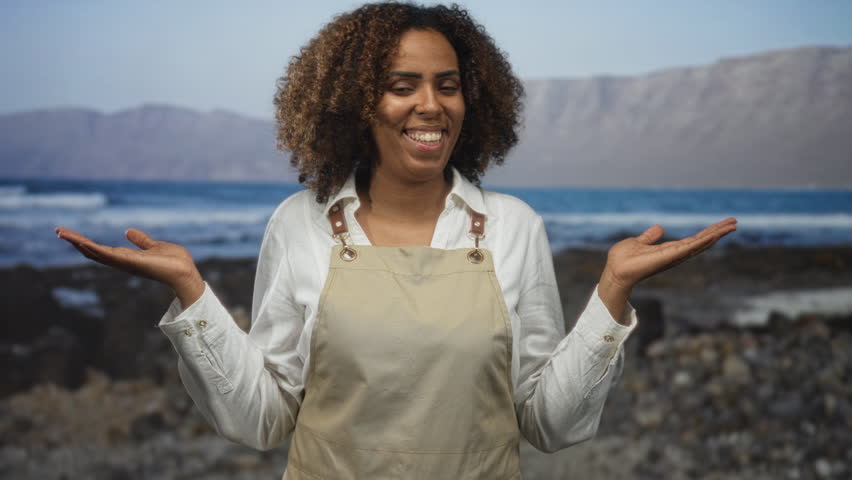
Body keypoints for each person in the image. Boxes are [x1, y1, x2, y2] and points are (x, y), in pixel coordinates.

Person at [56, 3, 737, 479]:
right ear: (357, 103)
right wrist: (193, 295)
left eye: (447, 86)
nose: (430, 105)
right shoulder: (298, 224)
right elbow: (262, 420)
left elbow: (547, 425)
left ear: (474, 103)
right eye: (401, 86)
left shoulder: (514, 228)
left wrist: (611, 295)